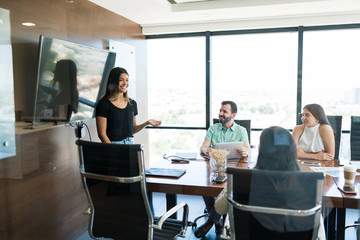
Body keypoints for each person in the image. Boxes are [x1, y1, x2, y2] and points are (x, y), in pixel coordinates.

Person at [214, 126, 325, 239]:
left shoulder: (244, 179)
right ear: (291, 151)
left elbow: (219, 208)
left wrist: (231, 184)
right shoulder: (305, 182)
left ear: (261, 150)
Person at [194, 100, 250, 238]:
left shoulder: (241, 130)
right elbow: (203, 146)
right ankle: (218, 221)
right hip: (215, 167)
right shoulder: (213, 128)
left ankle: (210, 222)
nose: (221, 114)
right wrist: (205, 150)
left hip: (234, 169)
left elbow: (247, 149)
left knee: (229, 189)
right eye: (220, 111)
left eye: (224, 111)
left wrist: (244, 151)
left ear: (233, 115)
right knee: (205, 187)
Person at [95, 67, 161, 144]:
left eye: (127, 80)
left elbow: (132, 130)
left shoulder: (132, 104)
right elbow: (102, 134)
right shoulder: (103, 104)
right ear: (113, 82)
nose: (125, 83)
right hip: (112, 144)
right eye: (121, 80)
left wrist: (147, 122)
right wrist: (112, 150)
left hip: (130, 143)